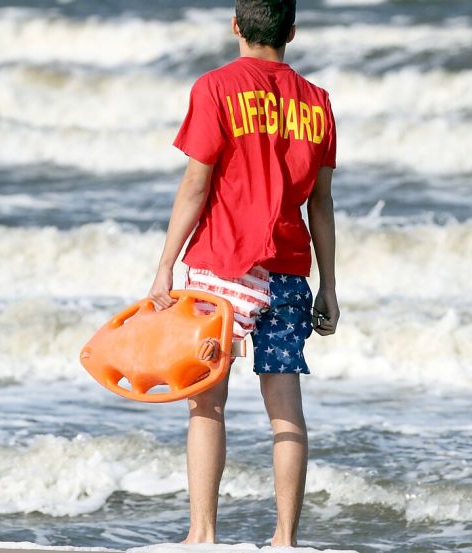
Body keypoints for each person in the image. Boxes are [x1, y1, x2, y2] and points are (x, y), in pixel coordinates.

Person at [146, 0, 338, 546]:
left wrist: (163, 268)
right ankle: (284, 540)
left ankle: (202, 535)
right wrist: (329, 285)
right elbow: (321, 205)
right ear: (292, 32)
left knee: (206, 403)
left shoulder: (215, 88)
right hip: (286, 270)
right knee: (286, 411)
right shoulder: (317, 102)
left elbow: (195, 185)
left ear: (235, 26)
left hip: (220, 269)